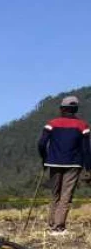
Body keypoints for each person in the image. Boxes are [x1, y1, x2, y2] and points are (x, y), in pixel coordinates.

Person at [38, 95, 91, 235]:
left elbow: (42, 143)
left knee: (55, 194)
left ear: (62, 109)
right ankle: (58, 227)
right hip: (73, 164)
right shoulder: (83, 126)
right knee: (66, 196)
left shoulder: (52, 123)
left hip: (53, 162)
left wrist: (44, 158)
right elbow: (86, 149)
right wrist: (88, 168)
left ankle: (52, 224)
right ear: (76, 109)